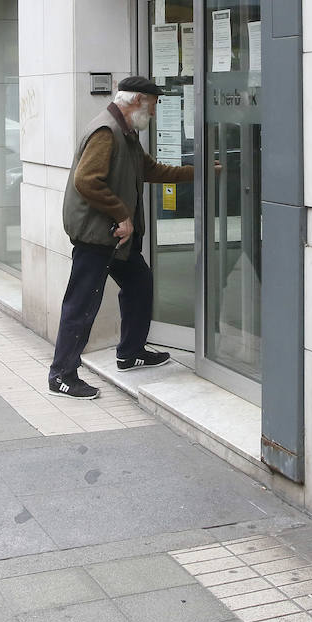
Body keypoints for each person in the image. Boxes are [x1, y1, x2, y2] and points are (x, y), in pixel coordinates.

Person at [47, 76, 197, 399]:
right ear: (137, 101)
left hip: (113, 237)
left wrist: (198, 172)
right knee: (82, 303)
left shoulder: (126, 134)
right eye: (153, 106)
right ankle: (61, 374)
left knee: (139, 282)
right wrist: (121, 214)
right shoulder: (107, 132)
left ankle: (130, 352)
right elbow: (86, 181)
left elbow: (152, 171)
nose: (154, 114)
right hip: (96, 235)